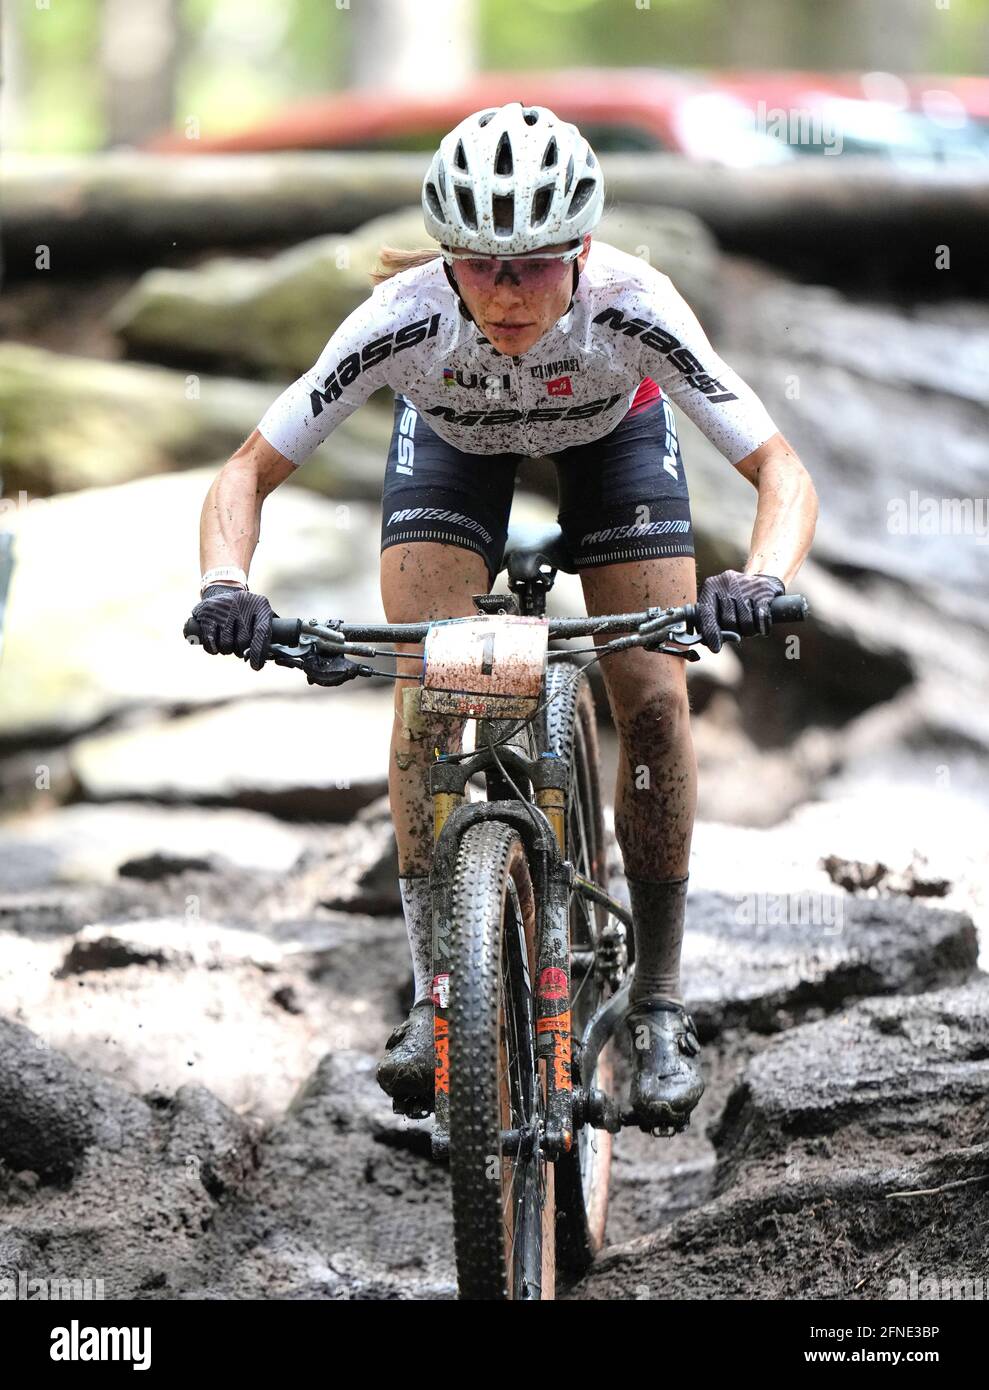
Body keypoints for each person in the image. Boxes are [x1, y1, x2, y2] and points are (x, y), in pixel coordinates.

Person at [190, 102, 818, 1132]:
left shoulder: (631, 304)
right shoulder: (403, 317)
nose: (507, 291)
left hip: (613, 444)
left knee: (655, 702)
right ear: (445, 258)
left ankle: (657, 1000)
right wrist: (225, 585)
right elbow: (247, 472)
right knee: (431, 693)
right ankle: (438, 988)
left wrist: (756, 573)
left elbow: (778, 471)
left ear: (578, 249)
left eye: (533, 264)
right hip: (451, 445)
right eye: (480, 264)